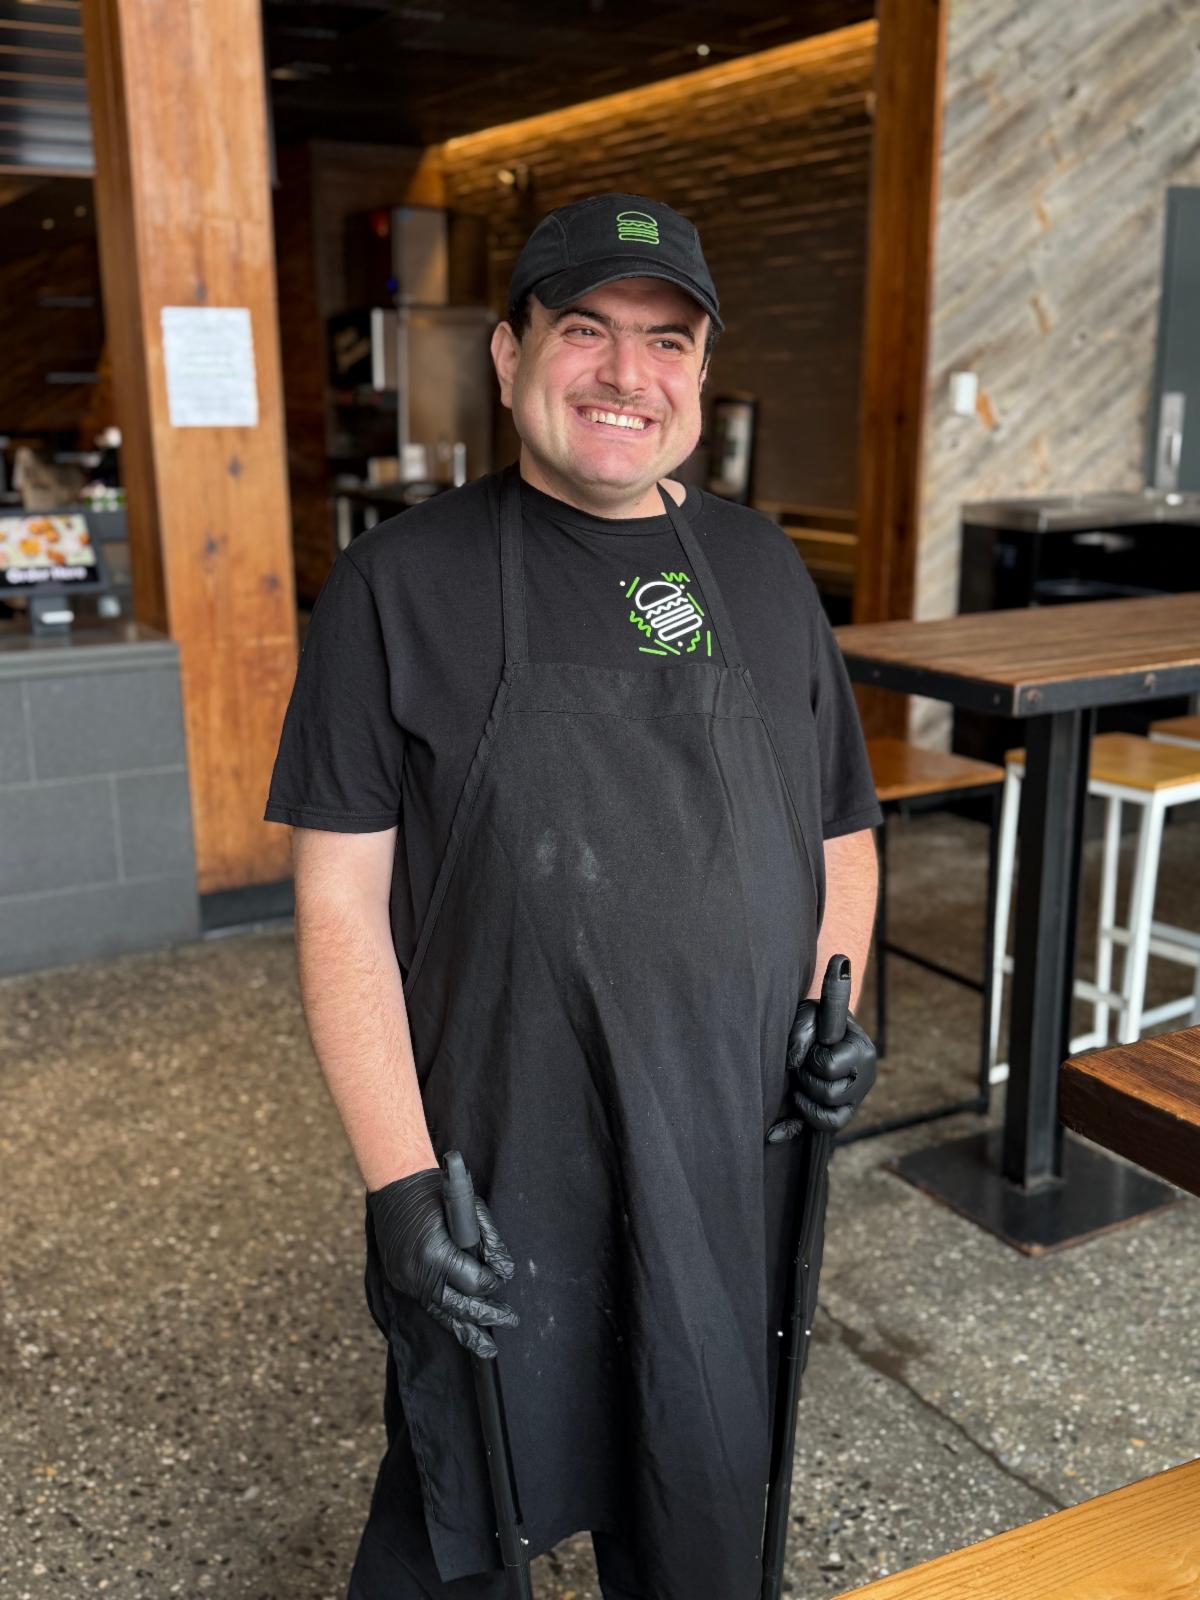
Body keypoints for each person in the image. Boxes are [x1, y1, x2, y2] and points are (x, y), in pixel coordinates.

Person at [266, 192, 881, 1600]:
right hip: (500, 1156)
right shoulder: (395, 587)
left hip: (727, 1146)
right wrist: (402, 1188)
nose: (626, 374)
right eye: (586, 329)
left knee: (705, 1502)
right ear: (509, 352)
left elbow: (842, 829)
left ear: (703, 374)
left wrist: (834, 1002)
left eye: (666, 341)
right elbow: (341, 907)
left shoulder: (761, 571)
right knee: (464, 1506)